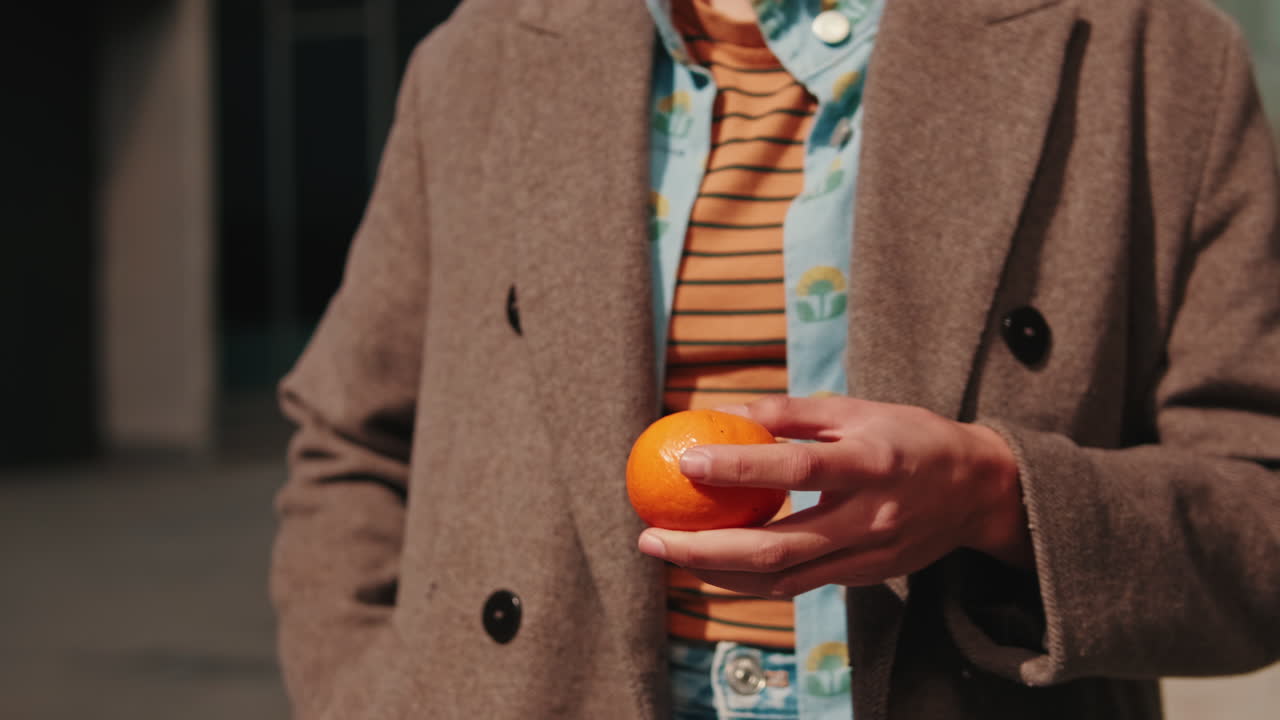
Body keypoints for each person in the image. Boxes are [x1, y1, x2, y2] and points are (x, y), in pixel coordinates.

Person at [270, 0, 1280, 718]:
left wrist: (991, 495)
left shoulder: (1147, 52)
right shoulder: (483, 57)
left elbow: (1259, 518)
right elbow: (351, 444)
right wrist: (368, 697)